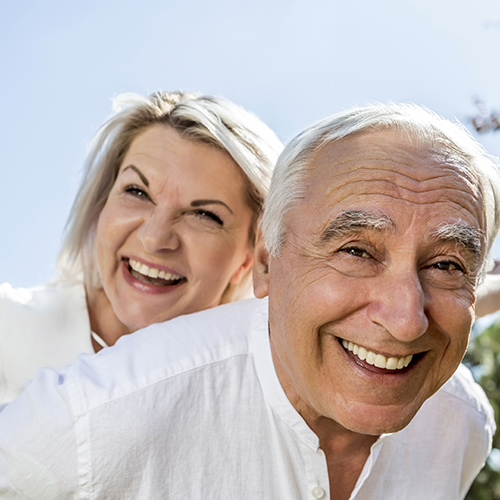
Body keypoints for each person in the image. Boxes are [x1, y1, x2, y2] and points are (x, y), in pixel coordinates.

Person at [0, 102, 499, 500]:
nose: (154, 238)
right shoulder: (90, 409)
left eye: (447, 265)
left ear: (245, 258)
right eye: (355, 250)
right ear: (266, 260)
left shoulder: (459, 425)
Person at [0, 90, 283, 403]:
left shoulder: (253, 400)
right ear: (102, 204)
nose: (155, 238)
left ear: (251, 258)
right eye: (136, 192)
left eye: (204, 215)